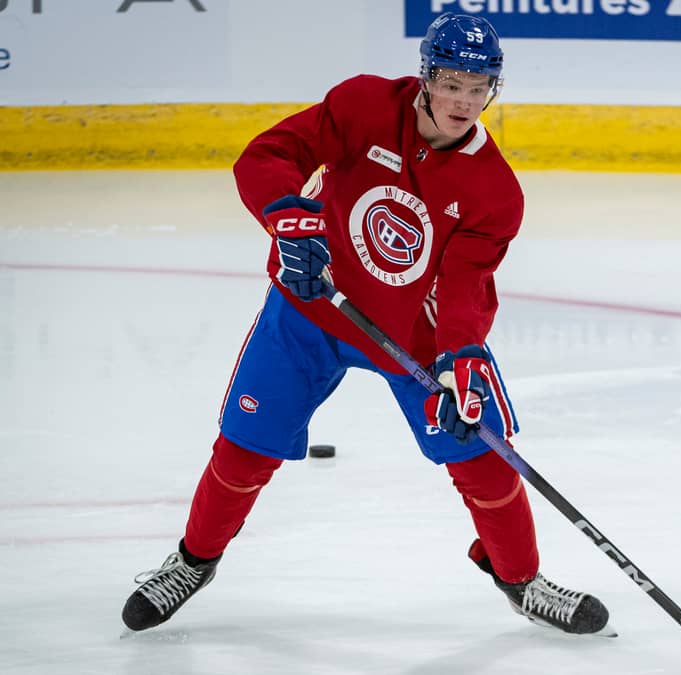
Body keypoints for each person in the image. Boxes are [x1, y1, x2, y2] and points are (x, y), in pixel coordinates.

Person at [121, 13, 610, 637]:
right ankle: (193, 562)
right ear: (426, 77)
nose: (465, 101)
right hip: (312, 309)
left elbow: (464, 287)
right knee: (245, 447)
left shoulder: (494, 192)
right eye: (453, 83)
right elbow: (270, 154)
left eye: (479, 86)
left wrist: (462, 356)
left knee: (484, 456)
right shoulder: (364, 105)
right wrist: (288, 219)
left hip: (413, 338)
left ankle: (521, 580)